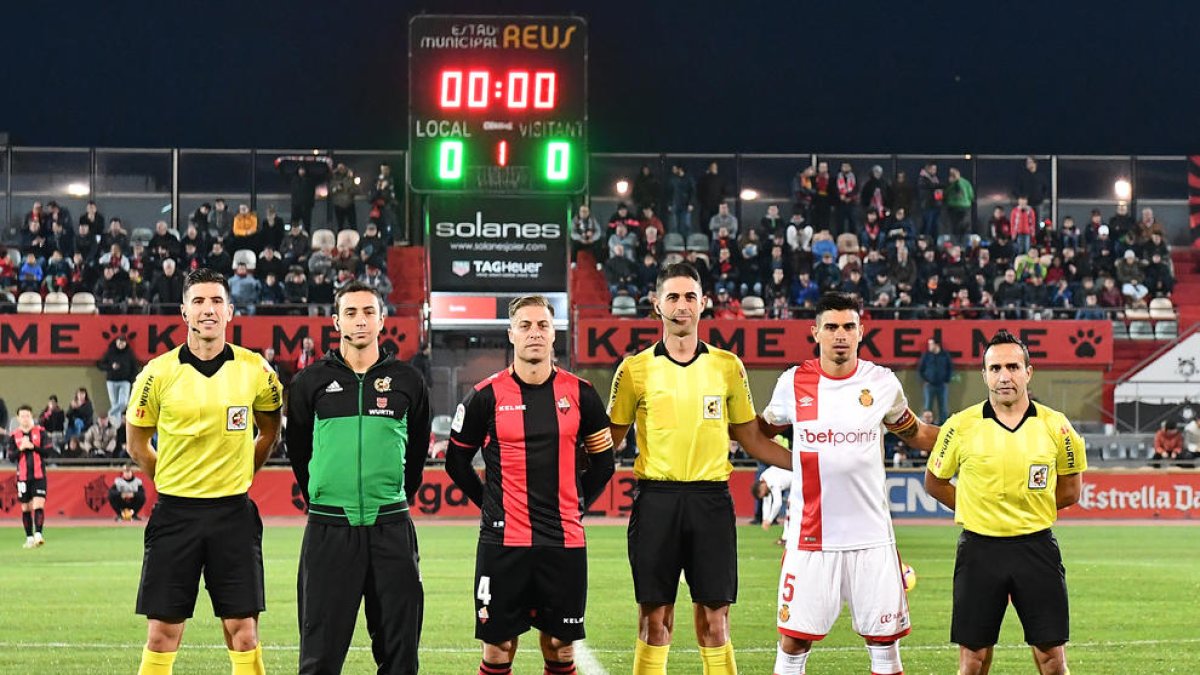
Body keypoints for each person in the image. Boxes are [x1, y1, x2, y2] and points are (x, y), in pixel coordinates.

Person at [607, 261, 792, 675]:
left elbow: (752, 438)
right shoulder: (634, 370)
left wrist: (808, 465)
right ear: (656, 304)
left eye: (690, 296)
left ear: (704, 303)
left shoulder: (727, 365)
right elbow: (609, 441)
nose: (682, 305)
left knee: (715, 621)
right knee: (654, 620)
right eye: (672, 297)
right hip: (656, 500)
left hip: (711, 501)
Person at [759, 292, 941, 675]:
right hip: (811, 536)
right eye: (831, 327)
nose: (840, 335)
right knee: (794, 640)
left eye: (848, 327)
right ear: (815, 332)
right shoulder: (793, 383)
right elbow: (758, 432)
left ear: (861, 331)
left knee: (884, 643)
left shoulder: (882, 383)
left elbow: (917, 433)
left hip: (871, 536)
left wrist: (971, 432)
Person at [446, 295, 615, 675]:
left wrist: (577, 504)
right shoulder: (484, 396)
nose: (534, 333)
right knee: (498, 648)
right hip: (502, 544)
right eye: (525, 325)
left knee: (560, 646)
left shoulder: (582, 393)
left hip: (564, 542)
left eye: (542, 325)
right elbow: (455, 462)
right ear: (511, 334)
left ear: (554, 334)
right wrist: (490, 503)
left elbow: (605, 462)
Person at [126, 268, 283, 675]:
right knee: (162, 633)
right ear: (184, 312)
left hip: (233, 513)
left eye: (216, 301)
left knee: (244, 631)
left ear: (230, 311)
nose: (208, 310)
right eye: (198, 301)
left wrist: (244, 467)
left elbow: (270, 428)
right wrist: (170, 478)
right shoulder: (157, 373)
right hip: (175, 514)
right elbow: (137, 442)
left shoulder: (256, 370)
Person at [286, 281, 430, 675]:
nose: (360, 320)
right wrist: (321, 492)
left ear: (382, 320)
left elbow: (417, 453)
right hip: (329, 529)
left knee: (400, 656)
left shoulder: (409, 381)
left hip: (391, 528)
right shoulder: (309, 382)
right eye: (351, 312)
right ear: (336, 322)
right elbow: (297, 449)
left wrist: (395, 496)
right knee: (319, 658)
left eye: (368, 312)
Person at [925, 329, 1088, 675]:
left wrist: (1030, 508)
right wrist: (975, 507)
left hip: (1036, 548)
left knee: (1052, 660)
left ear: (1028, 372)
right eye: (995, 368)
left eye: (1013, 367)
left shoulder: (1056, 426)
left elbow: (1071, 489)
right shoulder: (959, 426)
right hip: (979, 550)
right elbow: (935, 482)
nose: (1004, 377)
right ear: (984, 375)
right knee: (973, 661)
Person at [7, 405, 51, 549]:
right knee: (25, 508)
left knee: (38, 504)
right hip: (23, 477)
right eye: (22, 416)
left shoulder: (41, 432)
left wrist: (33, 447)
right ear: (18, 418)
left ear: (32, 417)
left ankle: (38, 533)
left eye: (28, 416)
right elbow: (11, 457)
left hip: (39, 475)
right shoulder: (14, 436)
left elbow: (48, 452)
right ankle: (29, 537)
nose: (25, 419)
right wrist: (21, 449)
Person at [98, 335, 139, 421]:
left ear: (126, 343)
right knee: (114, 403)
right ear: (116, 342)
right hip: (111, 381)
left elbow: (135, 367)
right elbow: (100, 365)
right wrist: (111, 367)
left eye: (123, 342)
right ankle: (116, 425)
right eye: (119, 342)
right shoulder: (110, 352)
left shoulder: (129, 353)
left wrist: (130, 380)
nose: (121, 344)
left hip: (125, 381)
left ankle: (111, 413)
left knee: (123, 403)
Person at [918, 337, 954, 424]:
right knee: (928, 406)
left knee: (943, 407)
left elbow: (950, 368)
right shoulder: (926, 355)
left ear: (936, 345)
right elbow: (920, 369)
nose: (929, 346)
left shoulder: (945, 355)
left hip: (942, 385)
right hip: (929, 385)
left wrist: (946, 379)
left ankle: (943, 425)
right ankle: (927, 426)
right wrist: (925, 379)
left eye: (931, 344)